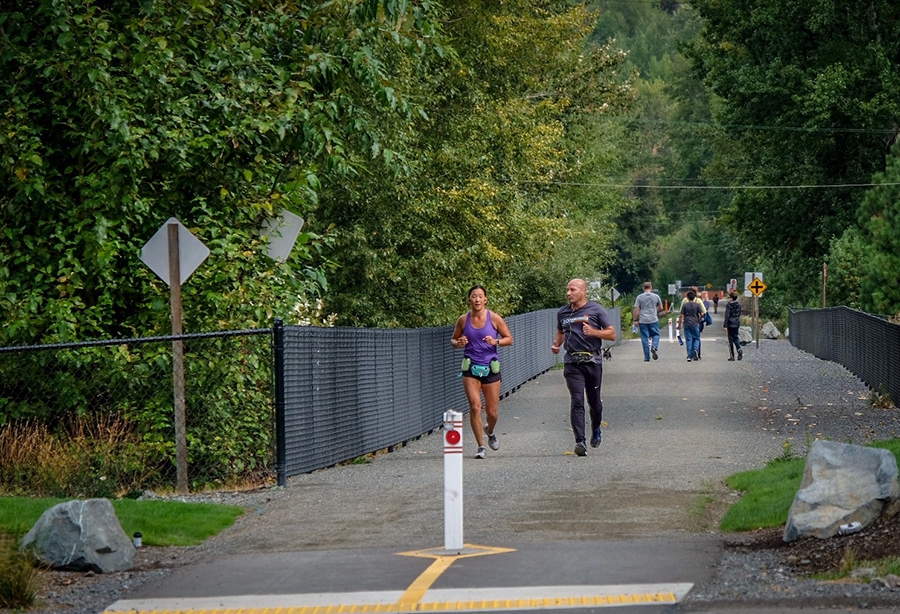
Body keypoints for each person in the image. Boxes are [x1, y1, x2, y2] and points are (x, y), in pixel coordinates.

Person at [551, 279, 617, 456]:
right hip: (572, 362)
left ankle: (596, 427)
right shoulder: (563, 312)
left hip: (592, 361)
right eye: (567, 290)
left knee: (594, 402)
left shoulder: (596, 309)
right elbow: (560, 331)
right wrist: (557, 344)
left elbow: (611, 334)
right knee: (577, 400)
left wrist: (594, 332)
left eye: (572, 290)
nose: (568, 293)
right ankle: (580, 441)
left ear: (583, 291)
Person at [451, 285, 513, 459]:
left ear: (485, 299)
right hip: (470, 367)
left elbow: (509, 339)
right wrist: (459, 343)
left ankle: (490, 431)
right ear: (469, 300)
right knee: (475, 407)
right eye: (474, 296)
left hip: (490, 368)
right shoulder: (463, 320)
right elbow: (453, 340)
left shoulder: (494, 318)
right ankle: (481, 447)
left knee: (492, 412)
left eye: (480, 296)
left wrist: (496, 342)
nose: (477, 299)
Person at [632, 282, 664, 362]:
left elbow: (636, 310)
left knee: (644, 338)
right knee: (656, 334)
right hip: (653, 319)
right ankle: (654, 347)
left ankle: (647, 357)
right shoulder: (656, 296)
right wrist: (655, 311)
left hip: (643, 320)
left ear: (643, 288)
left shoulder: (639, 297)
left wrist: (635, 320)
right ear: (651, 288)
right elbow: (661, 307)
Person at [680, 286, 708, 359]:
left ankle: (690, 355)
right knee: (697, 338)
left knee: (689, 339)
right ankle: (697, 352)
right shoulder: (698, 301)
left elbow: (681, 313)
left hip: (687, 322)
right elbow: (704, 311)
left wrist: (680, 323)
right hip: (696, 322)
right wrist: (699, 319)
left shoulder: (685, 301)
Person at [723, 291, 743, 361]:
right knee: (735, 337)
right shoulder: (739, 305)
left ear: (731, 298)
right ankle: (739, 349)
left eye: (729, 297)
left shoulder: (729, 305)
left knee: (730, 339)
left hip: (730, 323)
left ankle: (732, 356)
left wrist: (725, 325)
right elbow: (739, 314)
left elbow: (727, 315)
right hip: (736, 323)